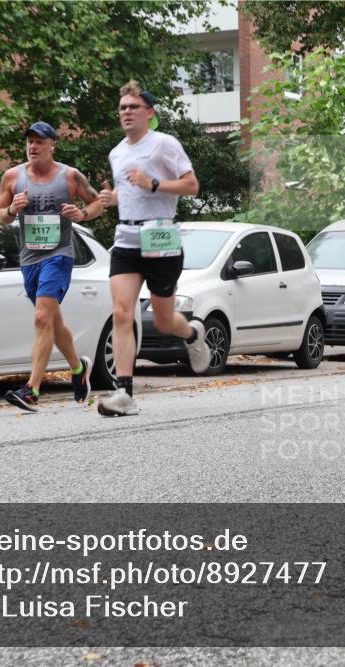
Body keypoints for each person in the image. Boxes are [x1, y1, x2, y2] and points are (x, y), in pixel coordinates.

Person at [95, 81, 209, 416]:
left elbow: (192, 185)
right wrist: (110, 199)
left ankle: (190, 333)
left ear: (149, 113)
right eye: (122, 108)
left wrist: (154, 183)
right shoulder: (116, 152)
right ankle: (124, 393)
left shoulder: (164, 145)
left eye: (133, 107)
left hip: (161, 238)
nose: (126, 113)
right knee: (121, 312)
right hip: (126, 240)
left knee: (162, 321)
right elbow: (127, 193)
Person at [0, 121, 104, 411]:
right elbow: (0, 217)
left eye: (39, 141)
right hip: (29, 260)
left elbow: (97, 204)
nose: (33, 146)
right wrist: (11, 209)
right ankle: (79, 368)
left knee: (42, 317)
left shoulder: (70, 176)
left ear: (52, 145)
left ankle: (31, 390)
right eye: (29, 141)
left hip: (59, 256)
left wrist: (81, 214)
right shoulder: (12, 177)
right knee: (52, 322)